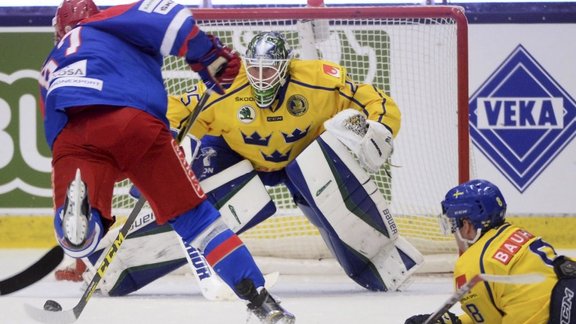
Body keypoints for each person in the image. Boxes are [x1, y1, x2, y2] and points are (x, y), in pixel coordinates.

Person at [56, 31, 423, 297]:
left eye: (270, 71)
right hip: (239, 157)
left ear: (286, 67)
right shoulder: (224, 88)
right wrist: (150, 149)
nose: (261, 79)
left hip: (305, 161)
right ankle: (120, 269)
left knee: (322, 169)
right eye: (256, 70)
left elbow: (374, 100)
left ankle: (384, 258)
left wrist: (380, 128)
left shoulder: (318, 82)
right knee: (192, 200)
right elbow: (165, 112)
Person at [40, 1, 294, 322]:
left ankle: (80, 226)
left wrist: (114, 170)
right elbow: (172, 18)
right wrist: (209, 56)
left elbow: (55, 133)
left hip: (73, 135)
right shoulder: (109, 21)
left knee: (83, 229)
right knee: (200, 222)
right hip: (134, 119)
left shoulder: (52, 64)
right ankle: (261, 301)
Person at [405, 179, 576, 324]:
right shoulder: (515, 232)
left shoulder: (471, 265)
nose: (452, 230)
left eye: (453, 223)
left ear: (467, 225)